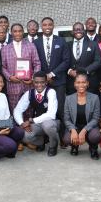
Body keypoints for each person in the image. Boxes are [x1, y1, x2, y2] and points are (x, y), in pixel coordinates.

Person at [34, 17, 70, 146]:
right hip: (42, 83)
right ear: (41, 27)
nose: (47, 26)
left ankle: (62, 138)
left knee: (60, 110)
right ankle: (44, 139)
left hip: (59, 81)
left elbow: (66, 61)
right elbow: (35, 61)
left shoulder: (61, 41)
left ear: (53, 26)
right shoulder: (36, 42)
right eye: (44, 25)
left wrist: (52, 73)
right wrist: (43, 77)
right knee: (42, 110)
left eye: (50, 24)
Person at [14, 71, 60, 156]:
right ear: (33, 82)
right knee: (24, 136)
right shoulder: (29, 93)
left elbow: (51, 114)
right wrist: (22, 123)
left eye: (42, 82)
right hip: (37, 123)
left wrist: (31, 120)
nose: (39, 85)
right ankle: (40, 142)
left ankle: (53, 145)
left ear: (46, 82)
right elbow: (17, 110)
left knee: (47, 125)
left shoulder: (51, 92)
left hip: (52, 122)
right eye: (36, 82)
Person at [2, 23, 41, 112]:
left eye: (20, 31)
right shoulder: (5, 49)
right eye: (15, 31)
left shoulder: (31, 46)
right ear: (11, 33)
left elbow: (37, 63)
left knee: (29, 110)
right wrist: (10, 77)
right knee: (15, 111)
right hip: (13, 86)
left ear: (23, 32)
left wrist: (33, 78)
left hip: (29, 85)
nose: (17, 33)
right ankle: (16, 126)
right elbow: (3, 67)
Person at [63, 71, 101, 159]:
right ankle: (74, 146)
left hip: (89, 126)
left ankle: (93, 148)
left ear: (87, 83)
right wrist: (73, 130)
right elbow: (66, 119)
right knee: (67, 139)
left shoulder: (95, 98)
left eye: (83, 82)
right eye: (78, 82)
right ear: (74, 84)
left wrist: (84, 130)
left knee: (96, 136)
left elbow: (96, 118)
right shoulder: (68, 99)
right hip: (75, 126)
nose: (81, 85)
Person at [66, 22, 101, 95]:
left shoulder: (93, 44)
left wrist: (85, 71)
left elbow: (98, 61)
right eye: (76, 29)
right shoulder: (67, 45)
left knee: (90, 105)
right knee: (73, 104)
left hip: (89, 81)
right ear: (72, 32)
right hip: (72, 83)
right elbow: (64, 61)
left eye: (80, 29)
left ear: (84, 31)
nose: (78, 31)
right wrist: (69, 71)